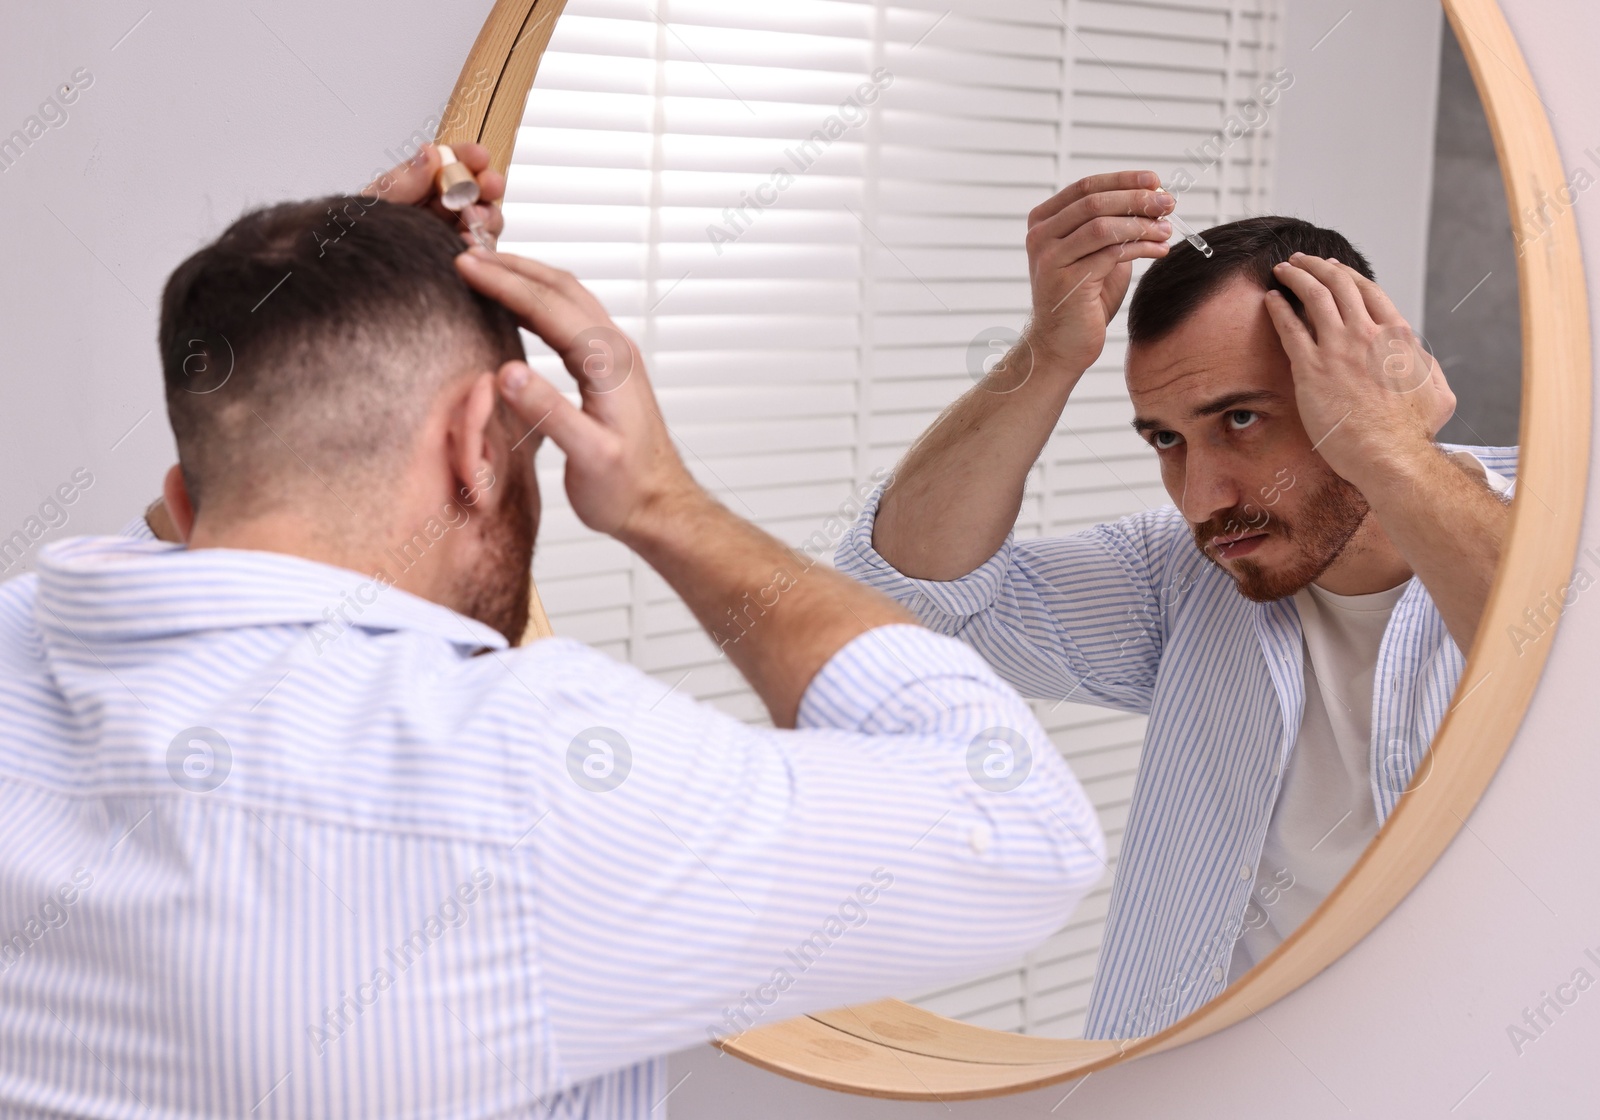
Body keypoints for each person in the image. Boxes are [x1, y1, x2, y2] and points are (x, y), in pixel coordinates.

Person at [0, 147, 1105, 1119]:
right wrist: (666, 504)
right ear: (481, 438)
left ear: (185, 498)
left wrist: (340, 289)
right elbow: (1022, 829)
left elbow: (210, 570)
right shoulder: (521, 780)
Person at [836, 169, 1515, 1041]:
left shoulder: (1565, 518)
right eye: (1167, 438)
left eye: (1238, 419)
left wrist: (1389, 449)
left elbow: (1562, 674)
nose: (1200, 499)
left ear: (1361, 374)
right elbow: (903, 606)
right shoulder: (1184, 576)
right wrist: (1048, 353)